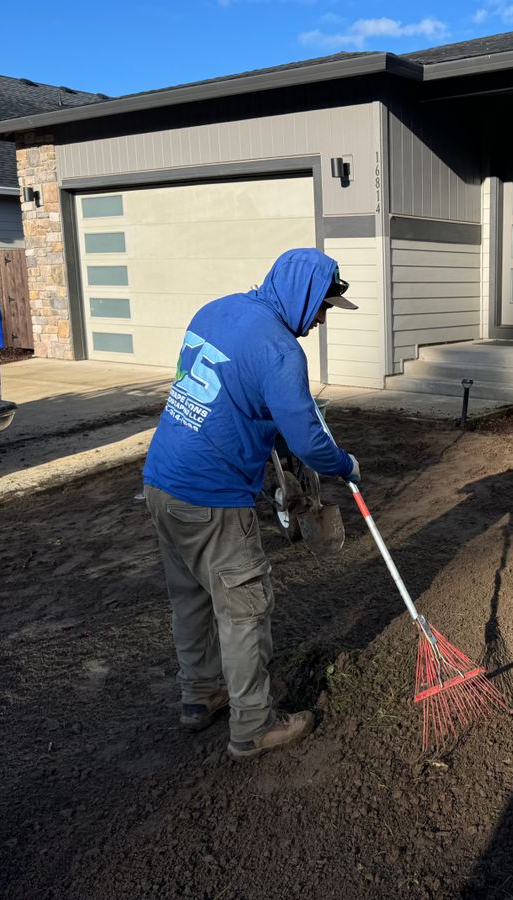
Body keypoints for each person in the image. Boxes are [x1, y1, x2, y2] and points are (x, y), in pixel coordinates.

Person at [142, 248, 360, 760]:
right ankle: (254, 727)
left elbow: (225, 395)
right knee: (244, 609)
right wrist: (344, 465)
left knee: (191, 600)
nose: (322, 319)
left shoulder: (215, 310)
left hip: (160, 483)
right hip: (212, 498)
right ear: (307, 296)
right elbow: (309, 440)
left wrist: (272, 447)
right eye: (324, 307)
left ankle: (200, 696)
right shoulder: (281, 351)